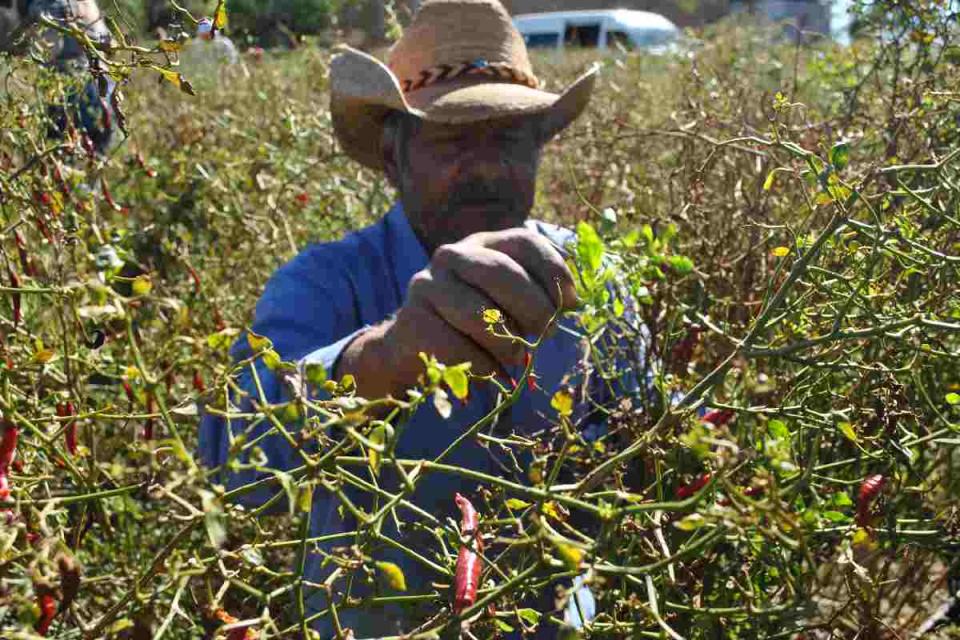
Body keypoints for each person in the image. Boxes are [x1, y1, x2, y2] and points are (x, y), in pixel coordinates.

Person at [199, 0, 615, 635]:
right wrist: (383, 360)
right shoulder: (326, 283)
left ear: (539, 150)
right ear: (394, 158)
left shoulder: (592, 279)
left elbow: (646, 444)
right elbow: (237, 463)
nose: (485, 166)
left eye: (508, 138)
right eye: (451, 139)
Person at [0, 0, 116, 154]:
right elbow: (109, 44)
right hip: (102, 96)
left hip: (71, 101)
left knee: (69, 158)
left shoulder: (45, 7)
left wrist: (15, 46)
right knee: (94, 159)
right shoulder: (85, 2)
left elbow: (48, 50)